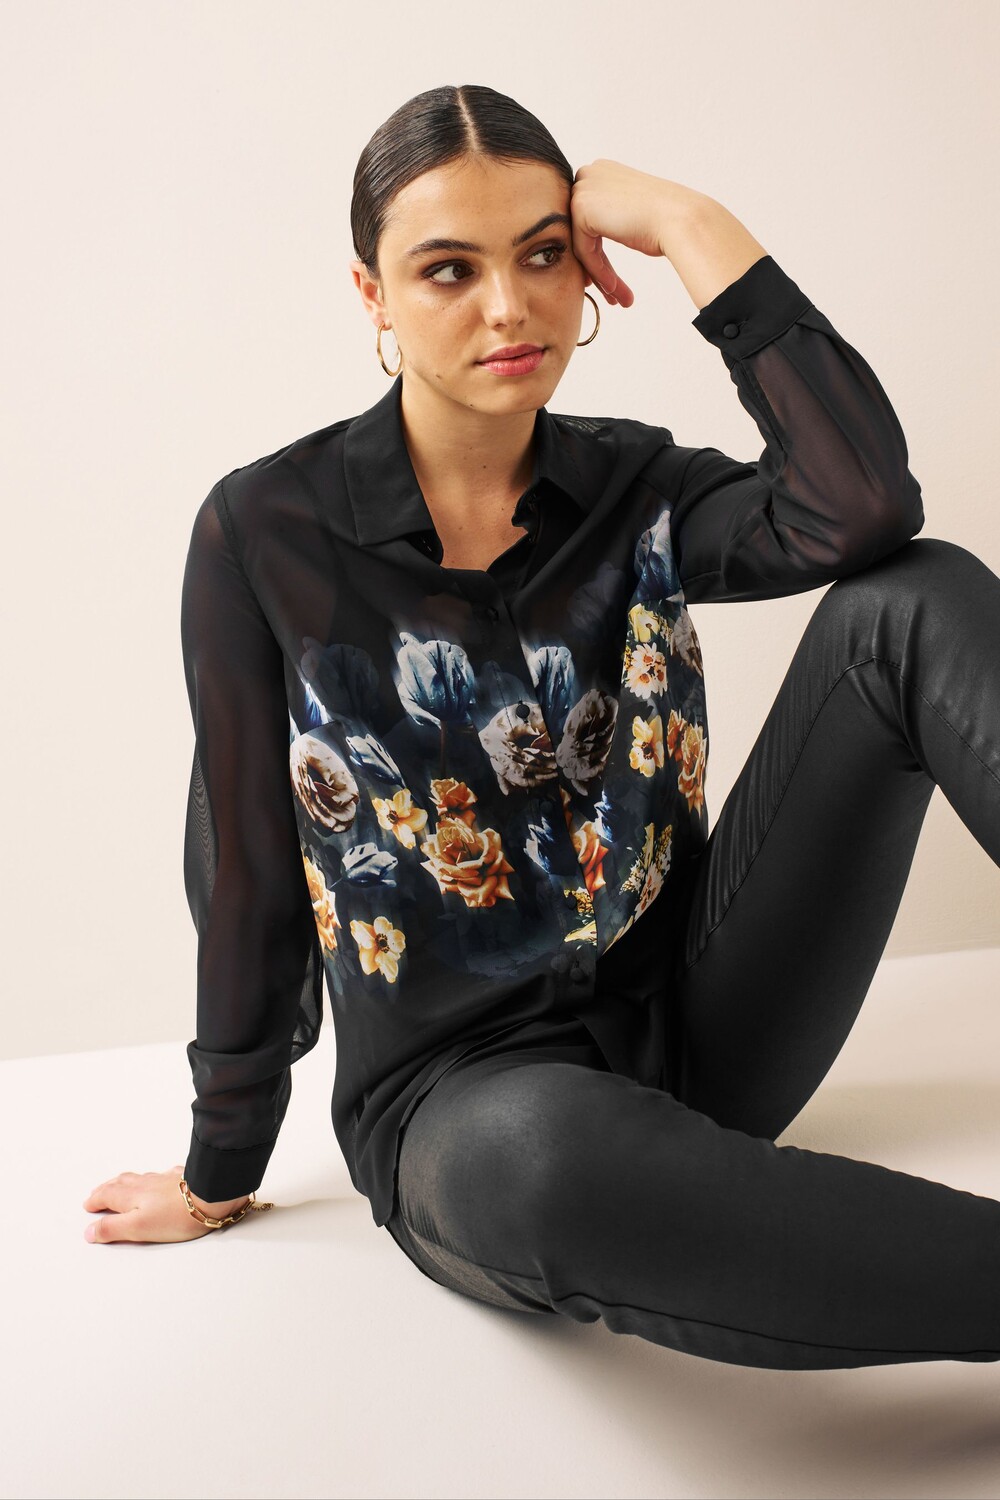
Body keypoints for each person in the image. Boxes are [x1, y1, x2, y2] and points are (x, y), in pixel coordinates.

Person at [82, 83, 1000, 1371]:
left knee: (915, 599)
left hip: (704, 1020)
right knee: (548, 1165)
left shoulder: (635, 484)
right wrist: (219, 1165)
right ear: (372, 295)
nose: (509, 307)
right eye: (448, 269)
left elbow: (861, 510)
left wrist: (691, 225)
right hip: (469, 1107)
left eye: (543, 254)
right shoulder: (262, 532)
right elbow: (246, 874)